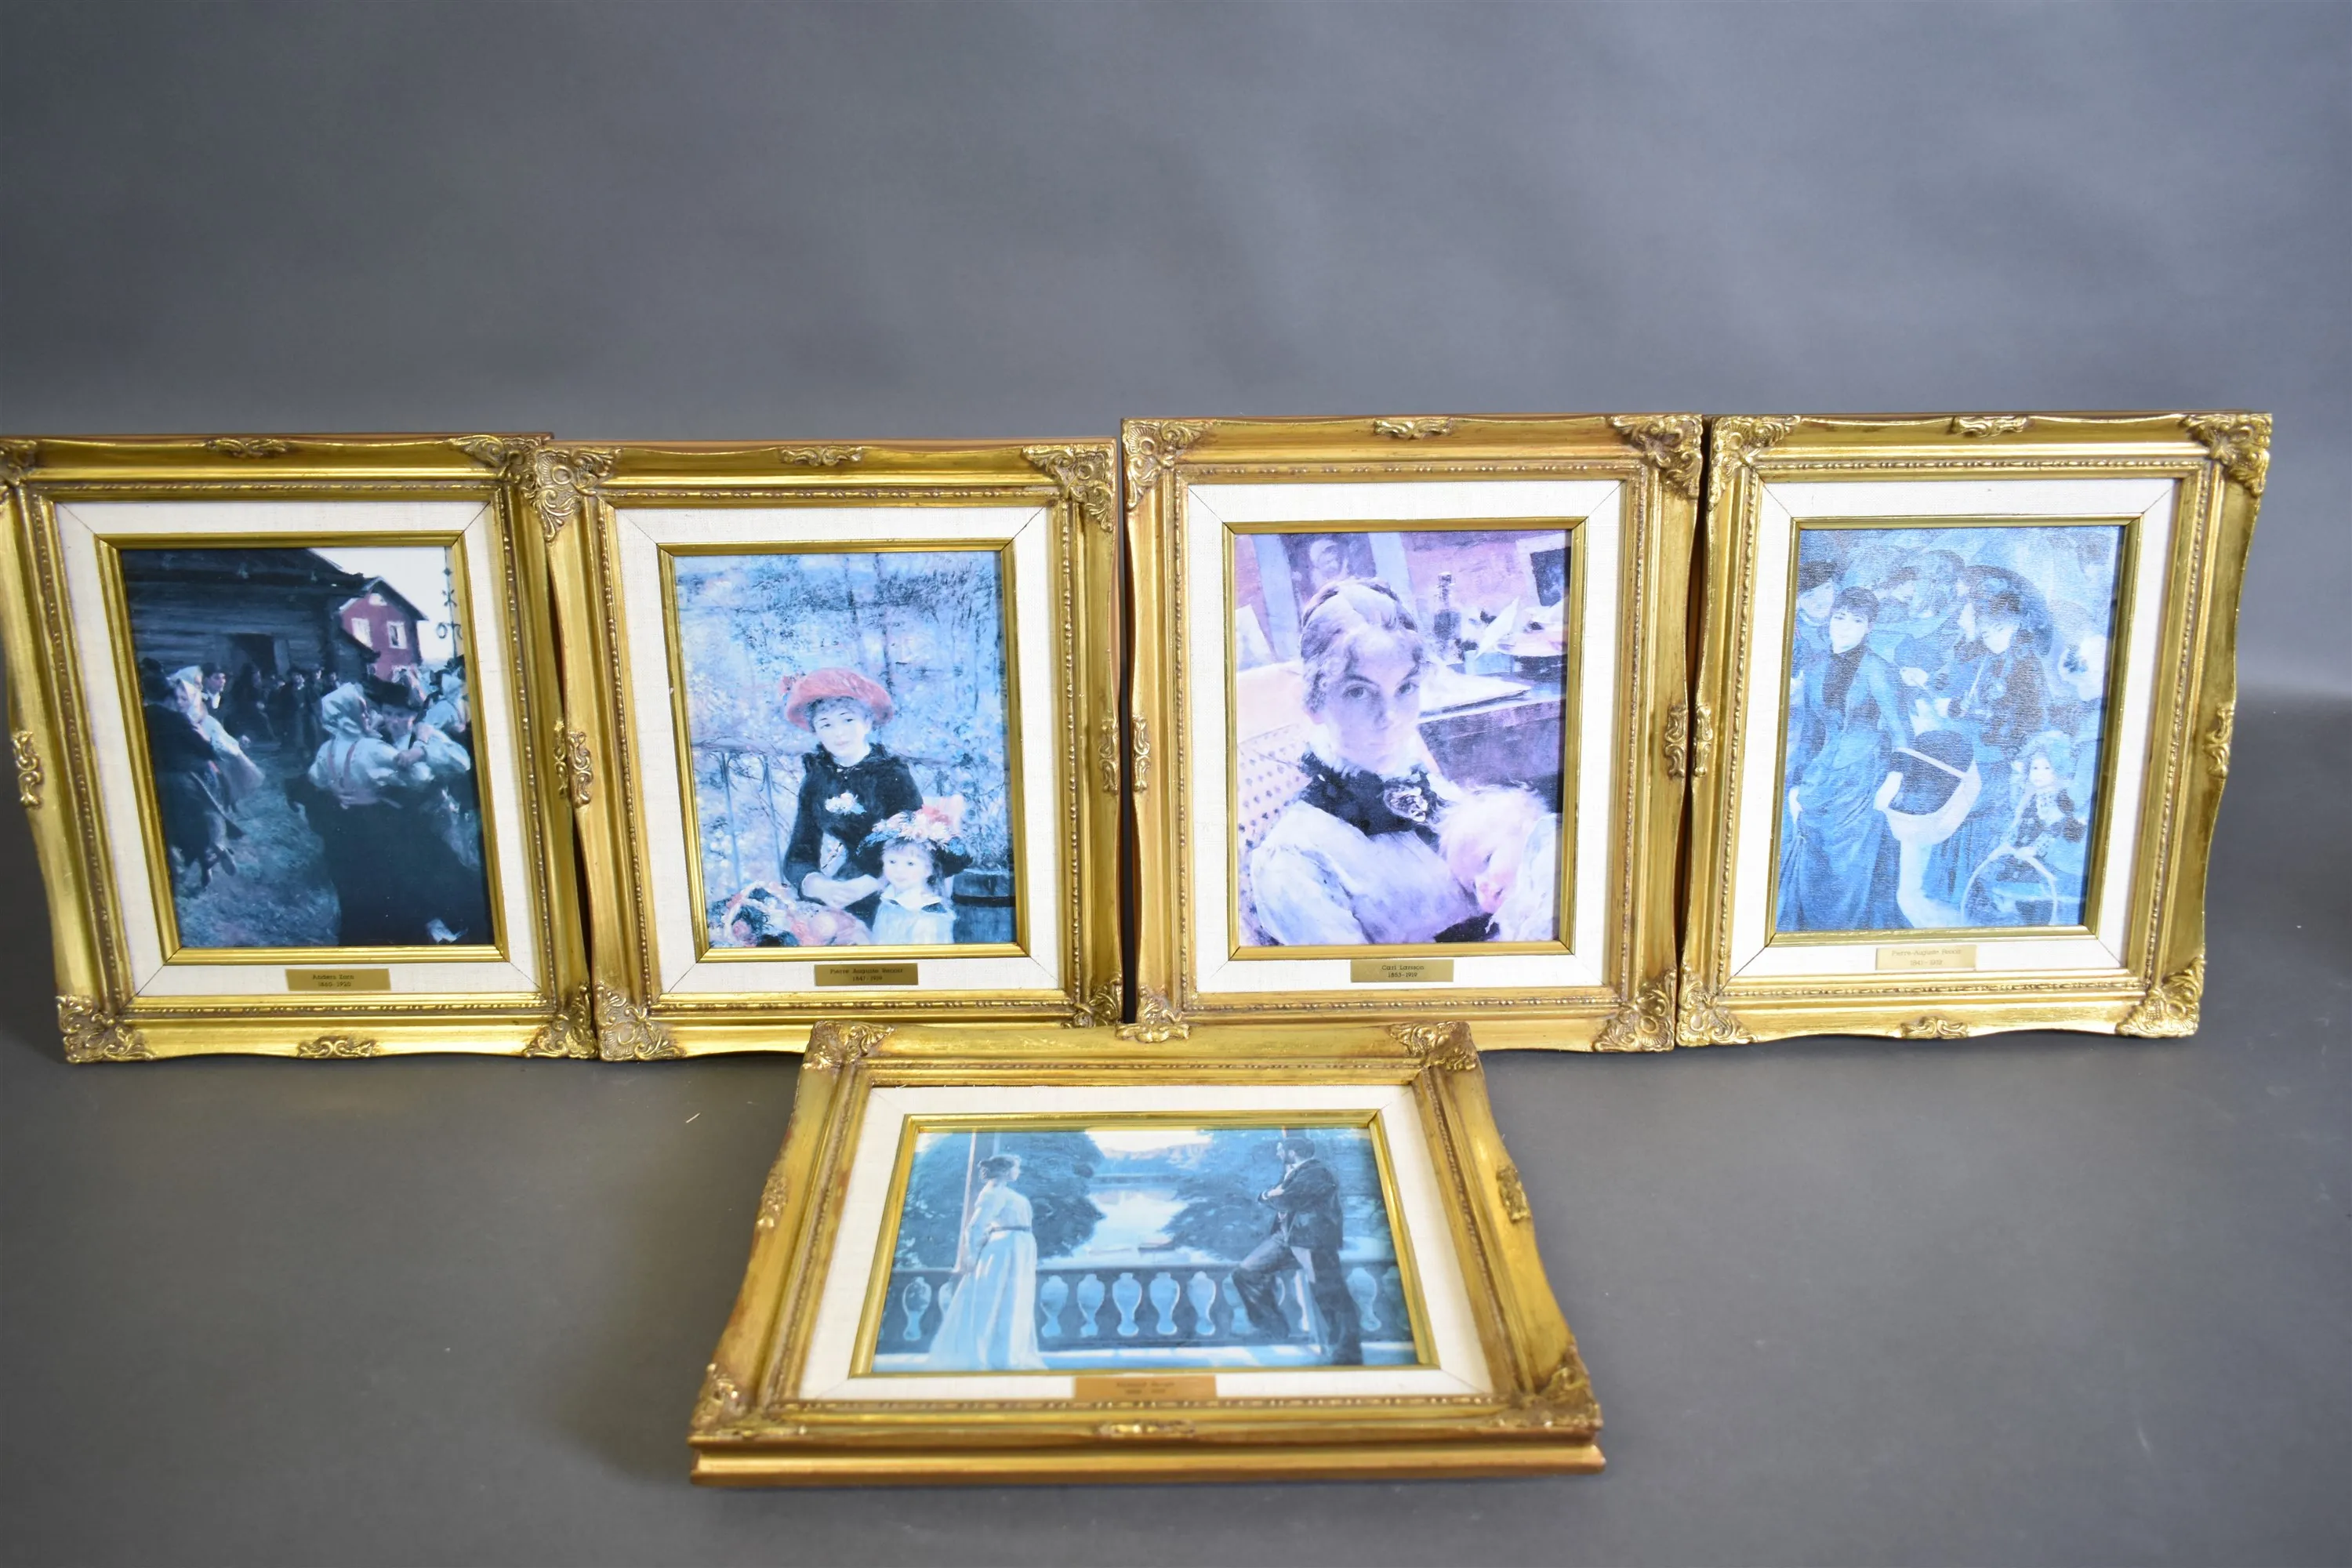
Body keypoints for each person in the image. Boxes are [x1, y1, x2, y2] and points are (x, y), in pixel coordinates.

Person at [1248, 580, 1478, 946]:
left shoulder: (1434, 791)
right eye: (1358, 692)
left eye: (1405, 688)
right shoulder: (1295, 861)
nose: (1389, 716)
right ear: (1313, 702)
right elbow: (1353, 982)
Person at [289, 681, 485, 945]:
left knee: (440, 874)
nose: (394, 720)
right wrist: (339, 790)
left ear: (414, 715)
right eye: (389, 713)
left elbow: (462, 762)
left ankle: (450, 930)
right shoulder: (375, 738)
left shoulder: (427, 736)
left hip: (431, 816)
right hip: (397, 825)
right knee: (401, 882)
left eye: (401, 715)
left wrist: (422, 751)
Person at [1777, 588, 1908, 932]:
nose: (1845, 627)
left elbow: (1901, 730)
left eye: (1857, 621)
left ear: (1869, 627)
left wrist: (1894, 780)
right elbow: (1811, 732)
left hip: (1864, 774)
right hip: (1823, 772)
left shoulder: (1879, 669)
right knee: (1811, 849)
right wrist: (1796, 783)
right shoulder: (1815, 664)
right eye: (1840, 618)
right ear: (1830, 619)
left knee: (1848, 863)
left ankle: (1844, 932)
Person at [1923, 590, 2049, 910]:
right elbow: (1975, 698)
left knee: (1983, 818)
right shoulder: (1990, 658)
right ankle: (1951, 890)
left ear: (2016, 627)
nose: (1991, 637)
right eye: (1987, 631)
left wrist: (1963, 710)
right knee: (1963, 812)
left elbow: (2028, 717)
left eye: (1998, 630)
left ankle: (1975, 895)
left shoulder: (2026, 665)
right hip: (1978, 750)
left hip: (2003, 757)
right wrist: (1956, 706)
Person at [779, 668, 922, 929]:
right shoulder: (817, 780)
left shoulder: (892, 774)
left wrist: (871, 883)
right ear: (815, 731)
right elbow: (799, 853)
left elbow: (919, 846)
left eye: (847, 720)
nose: (839, 733)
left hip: (899, 884)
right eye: (826, 724)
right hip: (846, 884)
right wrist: (817, 884)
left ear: (867, 723)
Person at [1231, 1136, 1363, 1366]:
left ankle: (1347, 1352)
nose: (1277, 1154)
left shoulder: (1316, 1172)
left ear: (1292, 1152)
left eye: (1280, 1150)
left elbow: (1287, 1200)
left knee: (1329, 1291)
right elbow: (1282, 1197)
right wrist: (1274, 1194)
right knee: (1245, 1272)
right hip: (1287, 1237)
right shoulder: (1294, 1172)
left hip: (1312, 1239)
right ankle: (1274, 1329)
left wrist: (1268, 1195)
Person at [926, 1153, 1045, 1372]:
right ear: (1006, 1170)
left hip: (1018, 1249)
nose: (1018, 1171)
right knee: (999, 1301)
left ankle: (1009, 1352)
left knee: (1014, 1300)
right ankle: (993, 1356)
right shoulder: (992, 1194)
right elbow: (975, 1226)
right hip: (1005, 1251)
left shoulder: (1006, 1193)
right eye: (1016, 1168)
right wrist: (971, 1255)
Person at [1434, 786, 1559, 942]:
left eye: (1486, 860)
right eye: (1473, 885)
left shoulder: (1550, 854)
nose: (1481, 886)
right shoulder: (1511, 919)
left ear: (1528, 830)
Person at [859, 797, 972, 946]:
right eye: (892, 862)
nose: (899, 870)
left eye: (910, 864)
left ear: (928, 869)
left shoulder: (928, 915)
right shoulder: (889, 901)